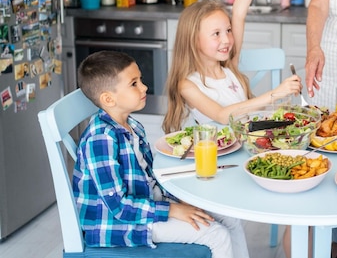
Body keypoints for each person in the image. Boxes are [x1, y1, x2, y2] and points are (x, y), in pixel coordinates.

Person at [73, 50, 247, 258]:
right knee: (217, 235)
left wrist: (179, 200)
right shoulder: (100, 138)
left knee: (230, 218)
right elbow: (119, 207)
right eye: (134, 83)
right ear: (108, 99)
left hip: (146, 204)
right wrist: (173, 210)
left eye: (140, 80)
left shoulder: (133, 126)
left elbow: (150, 179)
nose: (144, 87)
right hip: (119, 224)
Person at [162, 0, 301, 133]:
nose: (227, 39)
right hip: (215, 158)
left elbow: (239, 12)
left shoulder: (228, 67)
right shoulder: (187, 85)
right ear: (193, 39)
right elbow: (223, 115)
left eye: (227, 31)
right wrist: (275, 94)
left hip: (245, 147)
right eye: (216, 34)